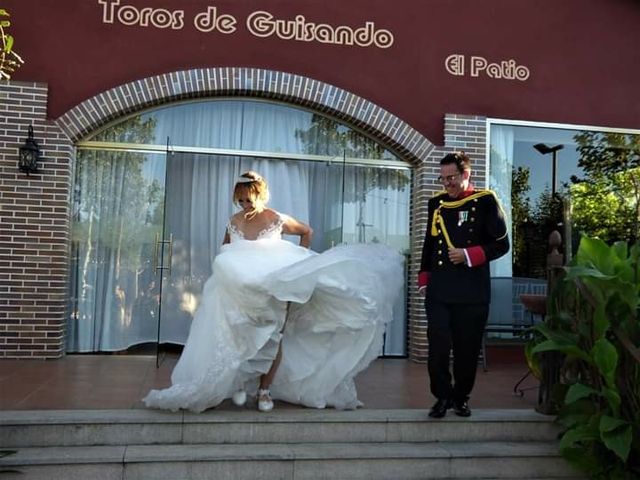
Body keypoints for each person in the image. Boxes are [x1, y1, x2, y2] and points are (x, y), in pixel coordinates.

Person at [144, 171, 404, 413]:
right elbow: (226, 251)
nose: (244, 204)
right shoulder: (233, 221)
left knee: (274, 336)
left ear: (259, 194)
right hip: (241, 290)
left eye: (248, 198)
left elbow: (306, 232)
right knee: (240, 336)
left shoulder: (276, 218)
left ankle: (264, 391)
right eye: (240, 199)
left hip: (274, 286)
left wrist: (299, 266)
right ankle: (240, 386)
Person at [418, 152, 509, 418]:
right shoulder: (436, 203)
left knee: (466, 350)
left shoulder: (485, 201)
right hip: (440, 290)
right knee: (437, 347)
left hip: (472, 291)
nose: (447, 184)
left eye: (452, 178)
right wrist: (424, 279)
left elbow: (501, 244)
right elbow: (429, 243)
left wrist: (469, 255)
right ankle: (442, 396)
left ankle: (461, 398)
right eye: (443, 178)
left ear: (466, 174)